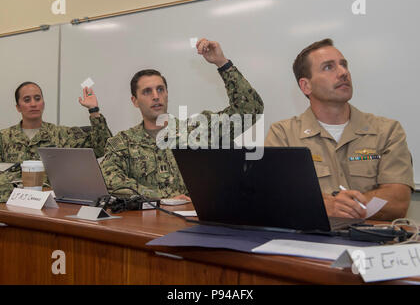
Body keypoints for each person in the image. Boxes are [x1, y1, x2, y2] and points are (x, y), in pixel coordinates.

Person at [265, 38, 414, 221]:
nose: (343, 72)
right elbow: (276, 199)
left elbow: (397, 202)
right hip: (309, 243)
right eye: (329, 67)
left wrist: (340, 206)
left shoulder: (387, 131)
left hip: (372, 242)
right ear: (306, 86)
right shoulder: (283, 134)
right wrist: (326, 205)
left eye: (344, 65)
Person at [100, 38, 264, 199]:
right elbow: (110, 181)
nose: (156, 96)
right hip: (145, 224)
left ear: (167, 94)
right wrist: (164, 198)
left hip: (194, 222)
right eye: (147, 91)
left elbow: (250, 110)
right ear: (134, 101)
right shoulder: (122, 143)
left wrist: (223, 64)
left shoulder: (198, 129)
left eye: (160, 89)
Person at [0, 82, 112, 202]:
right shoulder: (4, 137)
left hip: (53, 204)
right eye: (27, 100)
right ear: (18, 107)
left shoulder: (62, 134)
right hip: (12, 202)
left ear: (43, 103)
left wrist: (94, 111)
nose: (33, 104)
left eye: (37, 99)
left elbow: (102, 148)